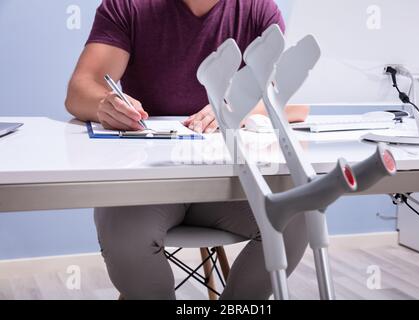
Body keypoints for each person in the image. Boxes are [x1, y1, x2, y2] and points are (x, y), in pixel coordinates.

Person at [65, 0, 309, 300]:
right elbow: (80, 89)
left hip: (228, 184)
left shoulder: (257, 8)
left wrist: (239, 106)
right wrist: (105, 105)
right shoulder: (128, 5)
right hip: (148, 184)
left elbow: (294, 99)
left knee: (296, 215)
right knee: (124, 234)